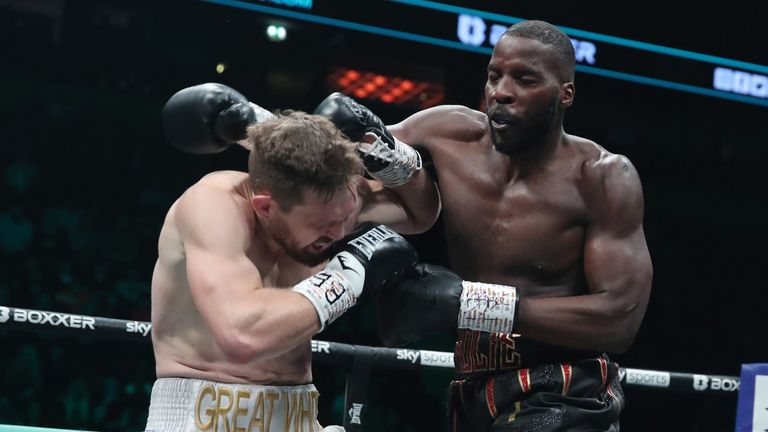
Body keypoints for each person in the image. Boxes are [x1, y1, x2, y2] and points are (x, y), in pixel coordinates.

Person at [316, 20, 653, 431]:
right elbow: (348, 166)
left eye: (525, 79)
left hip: (565, 388)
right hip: (472, 384)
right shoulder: (446, 132)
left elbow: (620, 320)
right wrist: (254, 124)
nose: (501, 92)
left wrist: (470, 304)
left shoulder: (602, 176)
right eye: (494, 76)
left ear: (566, 94)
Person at [145, 84, 440, 431]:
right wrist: (350, 274)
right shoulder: (213, 205)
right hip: (203, 417)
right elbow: (243, 336)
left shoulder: (331, 201)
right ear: (265, 207)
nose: (340, 234)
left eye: (344, 217)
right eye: (322, 225)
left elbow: (420, 212)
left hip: (298, 414)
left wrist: (392, 156)